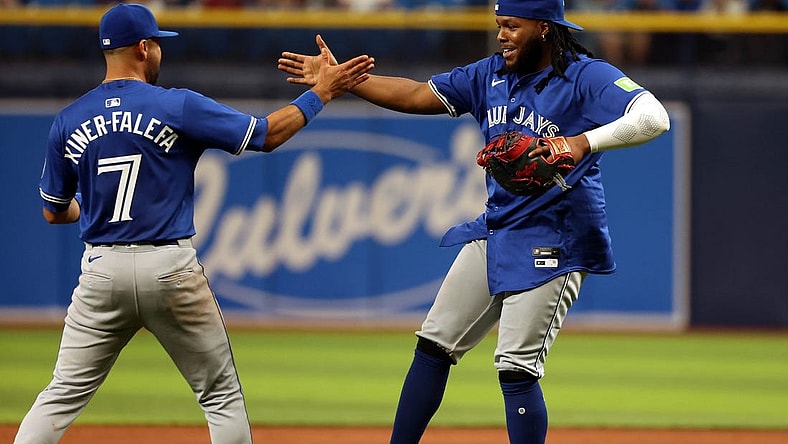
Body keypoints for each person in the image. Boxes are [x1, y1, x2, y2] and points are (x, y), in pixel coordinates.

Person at [278, 0, 670, 442]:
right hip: (499, 227)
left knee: (516, 368)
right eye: (499, 25)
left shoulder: (584, 75)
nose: (502, 34)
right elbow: (414, 94)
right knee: (433, 343)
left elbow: (654, 117)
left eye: (513, 26)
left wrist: (581, 142)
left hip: (557, 238)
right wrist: (345, 82)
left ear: (544, 28)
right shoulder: (489, 75)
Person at [17, 3, 373, 444]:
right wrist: (322, 92)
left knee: (61, 394)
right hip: (169, 267)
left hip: (101, 270)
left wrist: (89, 211)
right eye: (158, 45)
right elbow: (266, 134)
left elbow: (54, 210)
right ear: (144, 48)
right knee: (220, 397)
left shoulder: (68, 120)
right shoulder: (176, 105)